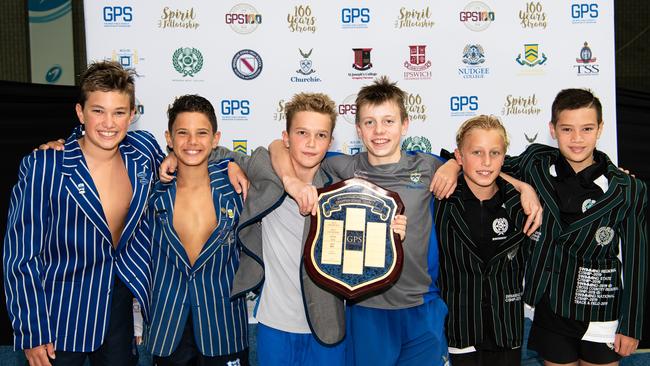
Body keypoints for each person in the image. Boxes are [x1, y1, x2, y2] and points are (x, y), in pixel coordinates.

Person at [159, 92, 407, 365]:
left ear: (330, 141)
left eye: (321, 136)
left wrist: (389, 234)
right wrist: (172, 157)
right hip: (273, 326)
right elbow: (206, 149)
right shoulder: (265, 169)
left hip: (326, 327)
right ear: (286, 137)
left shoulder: (341, 185)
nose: (311, 143)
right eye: (302, 133)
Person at [441, 88, 648, 365]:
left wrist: (631, 325)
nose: (577, 139)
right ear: (552, 129)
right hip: (550, 307)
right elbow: (487, 165)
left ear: (600, 128)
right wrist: (451, 167)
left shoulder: (628, 188)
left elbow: (637, 260)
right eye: (567, 129)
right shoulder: (535, 162)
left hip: (601, 310)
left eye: (587, 128)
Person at [269, 77, 450, 366]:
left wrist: (455, 167)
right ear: (357, 129)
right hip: (367, 307)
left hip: (421, 305)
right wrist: (290, 181)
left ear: (405, 125)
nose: (379, 131)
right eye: (369, 122)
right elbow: (278, 147)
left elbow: (475, 164)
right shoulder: (342, 166)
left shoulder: (429, 167)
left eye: (388, 121)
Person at [3, 61, 164, 366]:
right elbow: (20, 257)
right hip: (58, 316)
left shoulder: (143, 151)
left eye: (119, 112)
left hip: (117, 311)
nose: (109, 123)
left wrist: (231, 164)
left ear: (132, 115)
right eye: (97, 111)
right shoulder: (45, 166)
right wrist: (32, 330)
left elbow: (189, 158)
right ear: (80, 113)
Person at [146, 95, 248, 366]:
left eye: (201, 133)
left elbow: (276, 160)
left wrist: (233, 163)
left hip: (224, 327)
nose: (192, 142)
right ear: (169, 138)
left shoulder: (236, 189)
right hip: (168, 329)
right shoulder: (151, 194)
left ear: (216, 139)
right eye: (183, 133)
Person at [436, 115, 530, 366]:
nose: (486, 162)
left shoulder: (521, 204)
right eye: (476, 152)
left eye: (495, 153)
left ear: (504, 156)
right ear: (459, 156)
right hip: (459, 329)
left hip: (506, 330)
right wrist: (449, 166)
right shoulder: (439, 202)